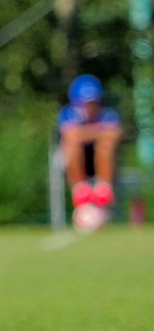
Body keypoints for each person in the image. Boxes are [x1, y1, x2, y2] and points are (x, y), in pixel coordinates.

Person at [58, 74, 122, 222]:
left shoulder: (108, 113)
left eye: (93, 103)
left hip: (102, 163)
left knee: (105, 145)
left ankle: (103, 191)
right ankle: (81, 192)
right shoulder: (67, 114)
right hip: (74, 164)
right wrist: (100, 131)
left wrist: (84, 133)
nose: (91, 107)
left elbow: (115, 134)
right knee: (72, 145)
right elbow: (70, 135)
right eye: (87, 103)